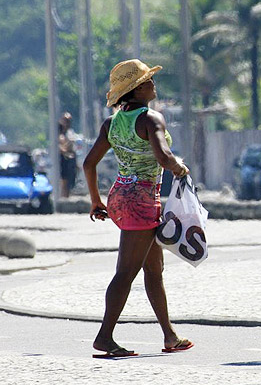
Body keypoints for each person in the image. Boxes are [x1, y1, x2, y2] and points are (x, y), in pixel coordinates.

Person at [83, 58, 193, 358]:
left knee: (153, 270)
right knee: (125, 273)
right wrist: (179, 168)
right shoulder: (150, 119)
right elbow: (164, 156)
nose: (154, 85)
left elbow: (88, 163)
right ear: (138, 88)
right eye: (149, 81)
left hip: (121, 195)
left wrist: (96, 199)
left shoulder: (112, 123)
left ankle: (170, 336)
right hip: (141, 201)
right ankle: (104, 337)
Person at [58, 112, 77, 198]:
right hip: (62, 158)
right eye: (66, 121)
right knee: (63, 178)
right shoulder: (58, 133)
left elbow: (72, 145)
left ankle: (67, 195)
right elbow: (60, 146)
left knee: (70, 178)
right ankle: (62, 196)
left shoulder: (70, 132)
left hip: (70, 158)